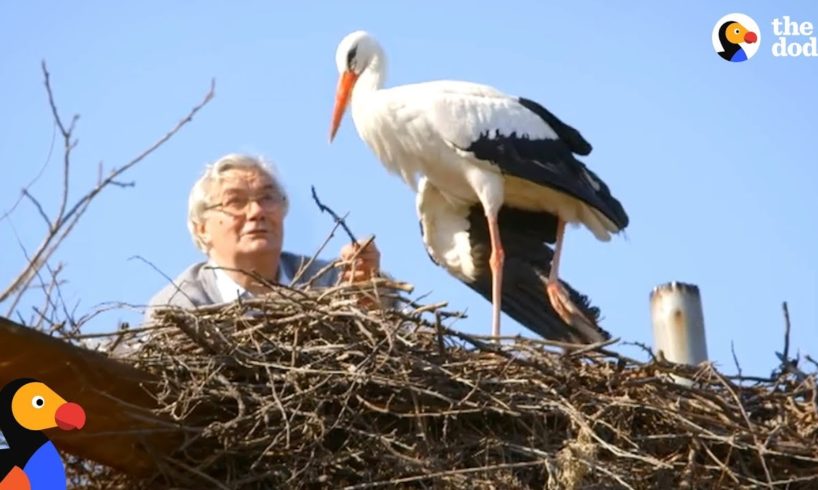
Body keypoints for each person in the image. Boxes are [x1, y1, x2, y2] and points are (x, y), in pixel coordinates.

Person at [143, 153, 386, 323]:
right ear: (201, 229)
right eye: (235, 201)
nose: (256, 211)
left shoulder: (331, 283)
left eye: (267, 198)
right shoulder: (180, 306)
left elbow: (389, 344)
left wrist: (368, 294)